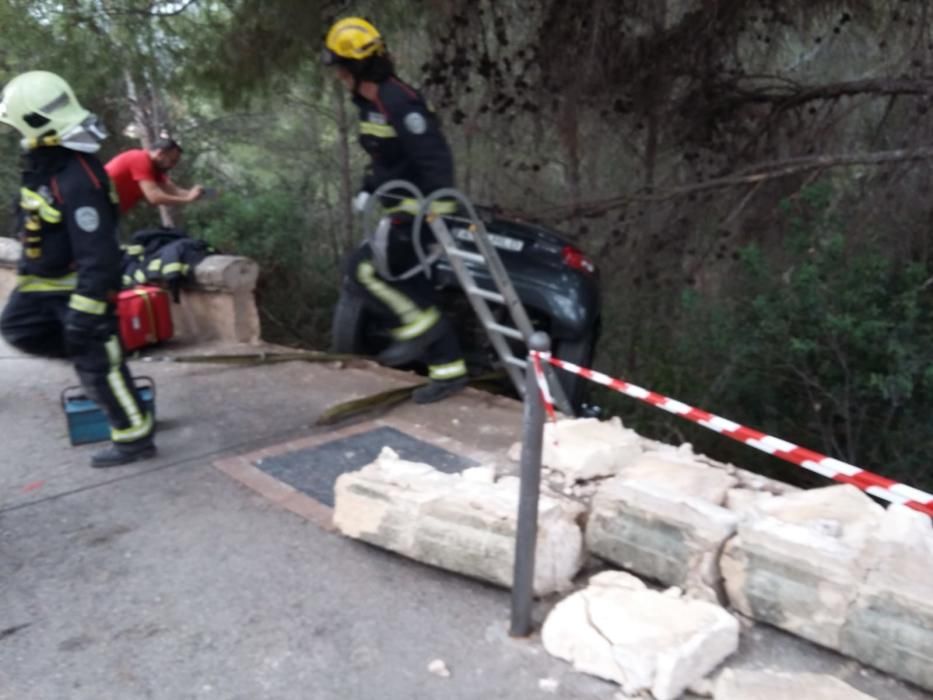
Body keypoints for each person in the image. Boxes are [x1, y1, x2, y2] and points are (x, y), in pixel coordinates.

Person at [0, 70, 156, 467]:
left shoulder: (76, 178)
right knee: (19, 329)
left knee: (96, 359)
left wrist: (87, 311)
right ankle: (101, 365)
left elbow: (98, 252)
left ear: (35, 122)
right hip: (43, 285)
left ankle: (134, 437)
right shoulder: (45, 167)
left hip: (77, 289)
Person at [322, 16, 469, 404]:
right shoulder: (371, 106)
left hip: (420, 214)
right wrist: (369, 189)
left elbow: (435, 159)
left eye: (339, 67)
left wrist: (432, 214)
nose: (337, 75)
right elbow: (385, 160)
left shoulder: (400, 101)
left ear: (355, 67)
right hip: (398, 209)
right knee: (415, 288)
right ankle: (448, 370)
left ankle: (420, 331)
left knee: (363, 269)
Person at [105, 137, 204, 214]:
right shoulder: (140, 158)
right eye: (172, 161)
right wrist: (187, 200)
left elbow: (175, 191)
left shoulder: (155, 170)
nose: (172, 166)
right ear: (160, 154)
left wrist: (194, 193)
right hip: (97, 203)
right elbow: (154, 197)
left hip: (107, 211)